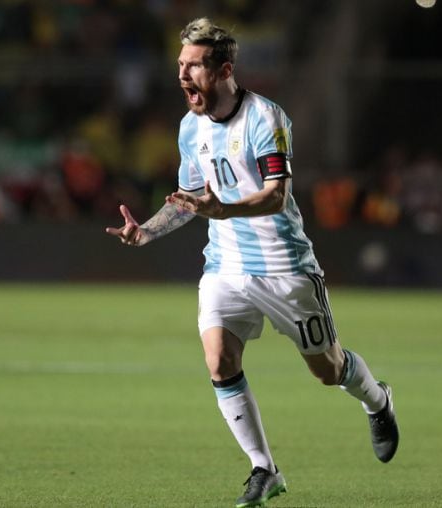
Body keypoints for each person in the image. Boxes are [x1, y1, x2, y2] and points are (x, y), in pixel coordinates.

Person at [105, 18, 399, 508]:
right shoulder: (188, 128)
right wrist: (147, 232)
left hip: (285, 268)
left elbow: (275, 195)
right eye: (180, 66)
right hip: (225, 264)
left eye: (194, 67)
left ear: (224, 70)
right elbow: (190, 198)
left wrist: (224, 209)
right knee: (219, 360)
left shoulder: (267, 119)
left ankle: (378, 399)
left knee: (327, 370)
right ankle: (265, 469)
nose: (182, 76)